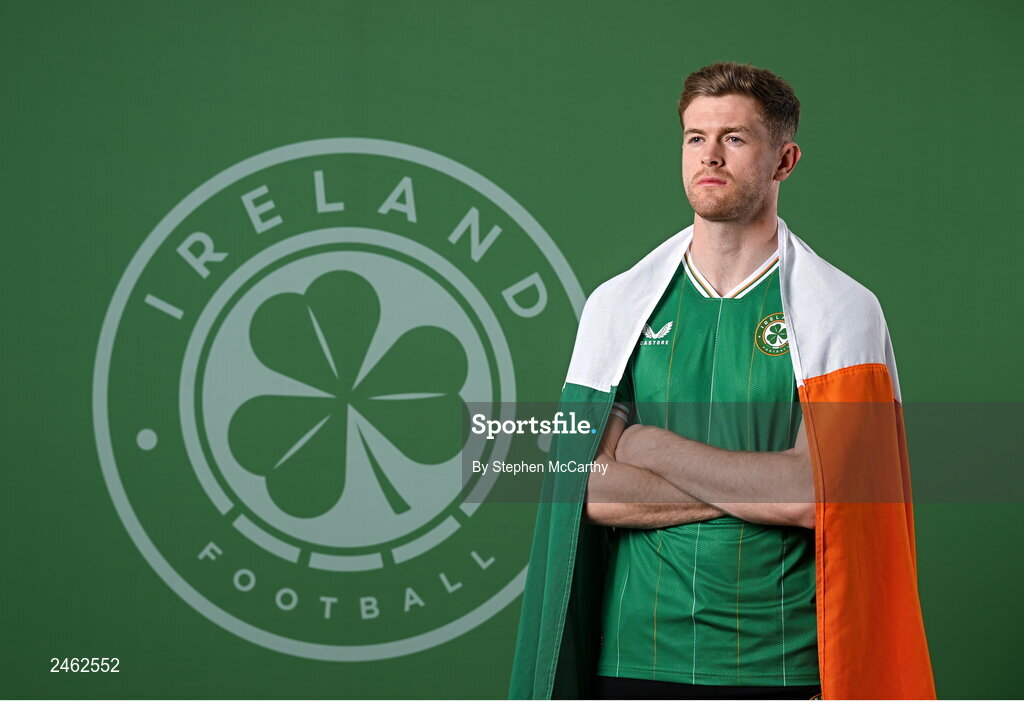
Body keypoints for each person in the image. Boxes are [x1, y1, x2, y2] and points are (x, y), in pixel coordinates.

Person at [508, 62, 935, 700]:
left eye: (734, 138)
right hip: (634, 659)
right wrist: (757, 485)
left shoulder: (842, 309)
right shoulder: (618, 305)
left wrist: (649, 447)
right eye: (694, 138)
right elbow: (584, 491)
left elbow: (818, 497)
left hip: (784, 665)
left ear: (784, 160)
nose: (710, 156)